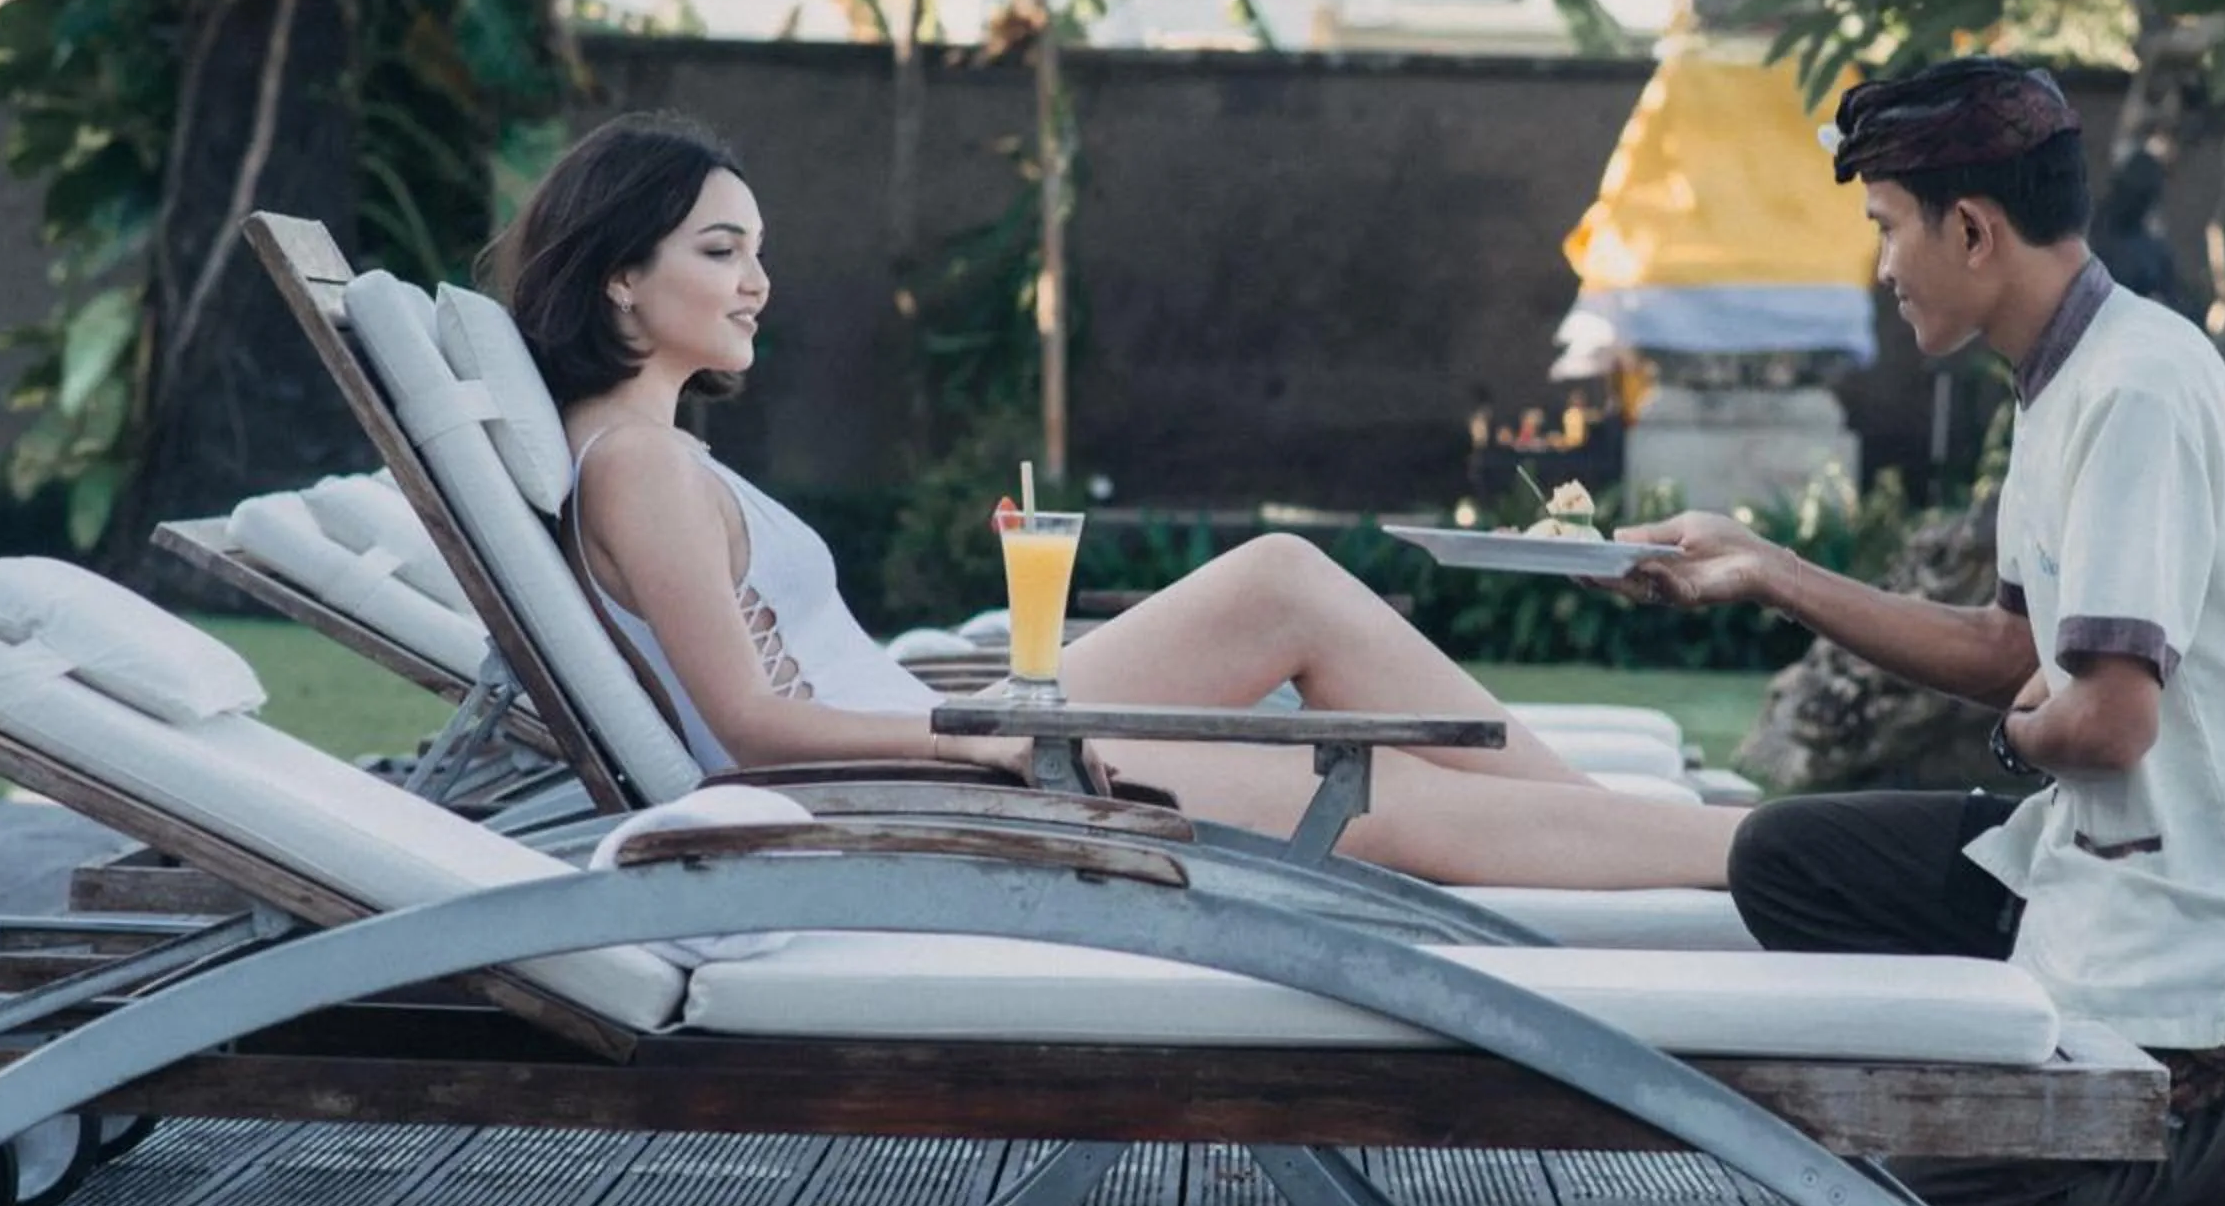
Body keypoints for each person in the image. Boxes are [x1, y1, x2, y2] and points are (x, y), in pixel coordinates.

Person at [1610, 58, 2225, 1206]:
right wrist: (1767, 570)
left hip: (2204, 905)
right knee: (1784, 859)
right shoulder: (2065, 376)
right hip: (2094, 856)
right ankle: (2035, 1120)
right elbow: (2009, 652)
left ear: (1971, 228)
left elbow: (2109, 718)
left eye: (1886, 230)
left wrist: (2028, 736)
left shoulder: (2136, 389)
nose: (1882, 267)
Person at [494, 110, 1744, 892]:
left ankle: (1622, 836)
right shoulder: (640, 464)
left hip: (946, 745)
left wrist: (979, 719)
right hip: (932, 789)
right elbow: (752, 727)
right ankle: (1731, 862)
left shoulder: (646, 453)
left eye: (756, 248)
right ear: (616, 281)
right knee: (1375, 793)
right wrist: (987, 737)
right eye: (721, 251)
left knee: (1281, 582)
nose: (759, 281)